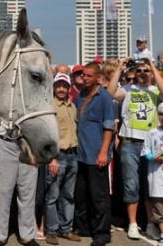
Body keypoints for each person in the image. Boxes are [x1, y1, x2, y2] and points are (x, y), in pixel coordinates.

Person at [107, 57, 163, 239]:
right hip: (130, 142)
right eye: (139, 71)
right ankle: (132, 223)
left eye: (145, 71)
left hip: (151, 145)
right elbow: (110, 93)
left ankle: (150, 222)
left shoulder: (155, 90)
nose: (142, 74)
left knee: (150, 186)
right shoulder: (128, 89)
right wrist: (119, 68)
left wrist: (152, 67)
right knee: (131, 184)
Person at [73, 62, 115, 246]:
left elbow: (109, 127)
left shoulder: (105, 97)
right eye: (83, 75)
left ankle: (102, 233)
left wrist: (104, 152)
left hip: (97, 155)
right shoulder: (80, 96)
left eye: (89, 76)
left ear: (98, 77)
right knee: (82, 195)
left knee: (99, 197)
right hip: (80, 155)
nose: (85, 78)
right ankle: (84, 227)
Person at [45, 73, 81, 245]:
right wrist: (52, 159)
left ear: (68, 88)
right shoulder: (49, 105)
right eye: (58, 85)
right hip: (56, 157)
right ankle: (51, 230)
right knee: (52, 196)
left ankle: (66, 229)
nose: (61, 89)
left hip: (72, 155)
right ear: (53, 87)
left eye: (64, 86)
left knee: (68, 196)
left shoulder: (72, 106)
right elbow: (47, 135)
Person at [141, 103, 163, 241]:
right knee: (159, 208)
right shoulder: (152, 132)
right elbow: (145, 152)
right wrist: (155, 157)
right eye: (161, 114)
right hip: (156, 175)